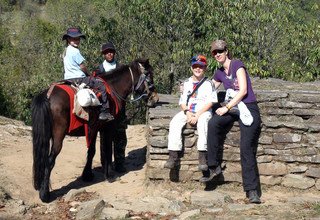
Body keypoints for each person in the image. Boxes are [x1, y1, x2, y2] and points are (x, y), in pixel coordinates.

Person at [200, 40, 262, 204]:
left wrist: (226, 107)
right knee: (213, 124)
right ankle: (213, 167)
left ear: (227, 51)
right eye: (214, 52)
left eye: (220, 51)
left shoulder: (237, 65)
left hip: (248, 107)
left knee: (246, 147)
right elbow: (208, 88)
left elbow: (243, 91)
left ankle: (252, 191)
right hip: (233, 108)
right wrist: (189, 87)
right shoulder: (219, 72)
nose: (218, 54)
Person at [164, 55, 217, 171]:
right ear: (191, 67)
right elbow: (182, 102)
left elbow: (211, 102)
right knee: (175, 122)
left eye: (201, 67)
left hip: (203, 111)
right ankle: (173, 155)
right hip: (188, 110)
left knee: (203, 123)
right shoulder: (186, 83)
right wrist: (188, 113)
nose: (198, 69)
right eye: (195, 66)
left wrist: (197, 114)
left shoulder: (209, 84)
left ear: (205, 68)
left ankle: (203, 157)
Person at [62, 27, 114, 121]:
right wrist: (88, 74)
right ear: (68, 39)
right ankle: (104, 112)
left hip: (68, 78)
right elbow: (82, 66)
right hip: (79, 78)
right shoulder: (75, 51)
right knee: (101, 85)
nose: (77, 41)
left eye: (78, 38)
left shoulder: (66, 50)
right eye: (74, 39)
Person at [95, 42, 128, 173]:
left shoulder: (122, 69)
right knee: (104, 137)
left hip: (120, 110)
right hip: (105, 110)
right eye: (107, 52)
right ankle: (105, 165)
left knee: (120, 136)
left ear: (114, 52)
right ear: (103, 54)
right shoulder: (98, 71)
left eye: (111, 51)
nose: (109, 53)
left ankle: (120, 164)